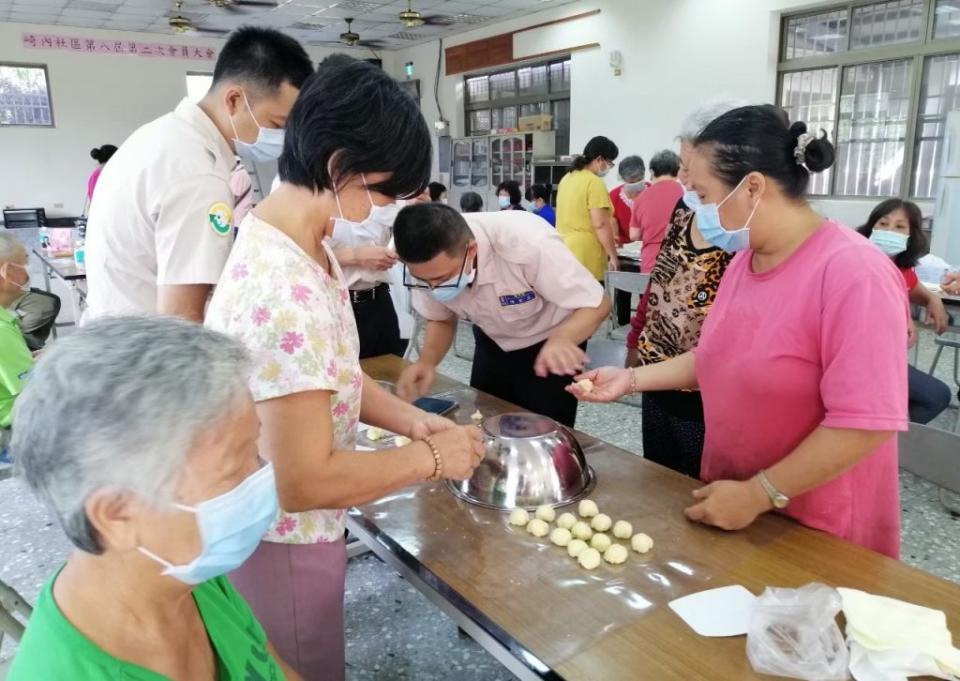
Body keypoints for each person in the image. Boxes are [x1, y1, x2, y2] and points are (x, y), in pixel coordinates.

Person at [205, 58, 483, 681]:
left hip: (306, 528)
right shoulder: (281, 290)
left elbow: (334, 380)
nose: (386, 208)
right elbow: (300, 482)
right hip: (283, 539)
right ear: (338, 168)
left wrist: (417, 424)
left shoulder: (307, 245)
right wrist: (434, 462)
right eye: (384, 191)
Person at [571, 105, 908, 559]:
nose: (700, 212)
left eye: (706, 196)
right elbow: (715, 358)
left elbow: (865, 423)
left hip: (814, 524)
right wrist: (631, 380)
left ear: (752, 187)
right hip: (737, 503)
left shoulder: (853, 272)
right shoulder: (747, 261)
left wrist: (760, 493)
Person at [7, 317, 302, 680]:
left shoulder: (188, 580)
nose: (260, 477)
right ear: (117, 515)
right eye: (229, 471)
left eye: (253, 449)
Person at [83, 27, 313, 323]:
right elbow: (182, 318)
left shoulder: (158, 136)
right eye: (277, 123)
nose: (281, 137)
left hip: (116, 339)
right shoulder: (198, 176)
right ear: (233, 100)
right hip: (151, 357)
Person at [394, 203, 610, 428]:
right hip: (492, 340)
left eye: (444, 278)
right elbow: (440, 318)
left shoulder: (528, 242)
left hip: (551, 347)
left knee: (546, 433)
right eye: (425, 281)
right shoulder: (421, 260)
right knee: (486, 421)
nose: (435, 287)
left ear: (472, 250)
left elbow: (597, 303)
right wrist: (427, 362)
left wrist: (563, 339)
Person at [624, 104, 740, 479]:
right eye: (683, 167)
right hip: (657, 370)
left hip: (705, 389)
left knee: (696, 481)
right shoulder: (686, 209)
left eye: (693, 170)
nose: (685, 181)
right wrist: (636, 339)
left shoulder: (743, 232)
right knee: (658, 476)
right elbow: (661, 278)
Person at [857, 199, 951, 424]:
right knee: (935, 396)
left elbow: (914, 289)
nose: (889, 231)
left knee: (928, 396)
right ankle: (885, 439)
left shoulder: (900, 266)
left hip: (887, 357)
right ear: (872, 227)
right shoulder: (859, 262)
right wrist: (902, 318)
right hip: (862, 360)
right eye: (883, 223)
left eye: (900, 227)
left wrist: (933, 298)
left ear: (911, 235)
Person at [556, 135, 620, 281]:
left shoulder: (567, 178)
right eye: (609, 162)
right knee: (593, 302)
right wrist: (613, 255)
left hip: (564, 251)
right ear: (599, 159)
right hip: (587, 255)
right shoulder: (594, 182)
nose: (608, 167)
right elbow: (601, 224)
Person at [0, 234, 33, 452]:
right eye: (25, 263)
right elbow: (35, 390)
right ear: (7, 271)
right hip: (14, 431)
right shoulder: (2, 330)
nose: (28, 271)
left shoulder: (5, 319)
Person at [629, 150, 684, 270]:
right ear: (678, 170)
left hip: (652, 261)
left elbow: (634, 235)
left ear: (652, 171)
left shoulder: (641, 197)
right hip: (680, 260)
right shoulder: (687, 195)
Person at [609, 155, 646, 247]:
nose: (635, 184)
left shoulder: (653, 191)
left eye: (639, 180)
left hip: (649, 242)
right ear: (623, 179)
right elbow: (612, 219)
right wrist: (616, 237)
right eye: (631, 181)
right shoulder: (614, 195)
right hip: (625, 245)